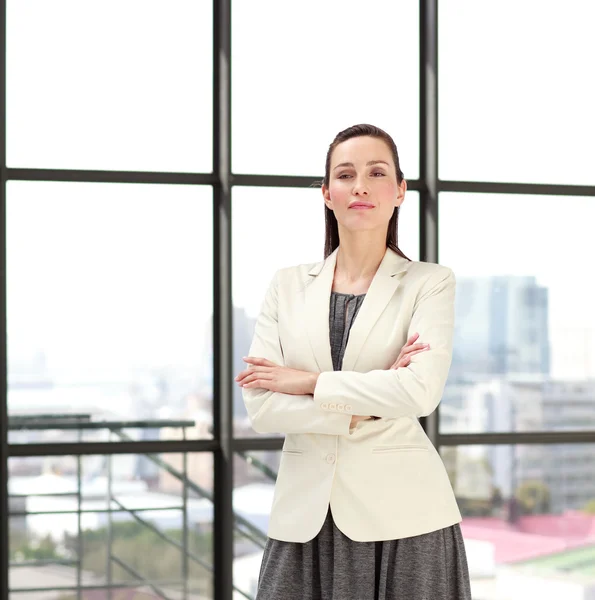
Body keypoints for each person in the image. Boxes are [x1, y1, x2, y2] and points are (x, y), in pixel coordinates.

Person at [235, 123, 471, 599]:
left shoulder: (429, 283)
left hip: (407, 517)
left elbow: (419, 392)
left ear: (400, 191)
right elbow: (262, 406)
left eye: (376, 172)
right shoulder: (287, 285)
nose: (360, 185)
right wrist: (369, 399)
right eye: (345, 174)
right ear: (326, 193)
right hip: (304, 518)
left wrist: (306, 381)